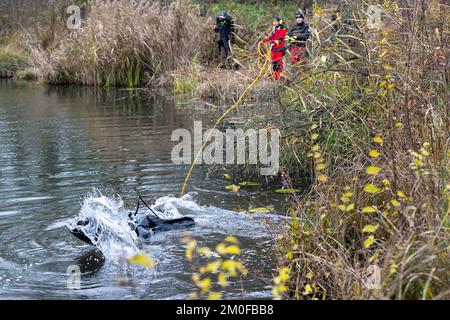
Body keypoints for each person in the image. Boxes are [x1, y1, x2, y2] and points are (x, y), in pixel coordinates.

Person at [263, 16, 287, 80]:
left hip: (279, 49)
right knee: (274, 63)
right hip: (273, 49)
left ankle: (280, 76)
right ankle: (275, 77)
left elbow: (281, 38)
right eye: (274, 21)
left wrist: (277, 42)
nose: (275, 22)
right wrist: (266, 40)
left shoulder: (282, 29)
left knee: (278, 63)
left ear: (279, 22)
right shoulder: (274, 29)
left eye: (276, 21)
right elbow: (271, 38)